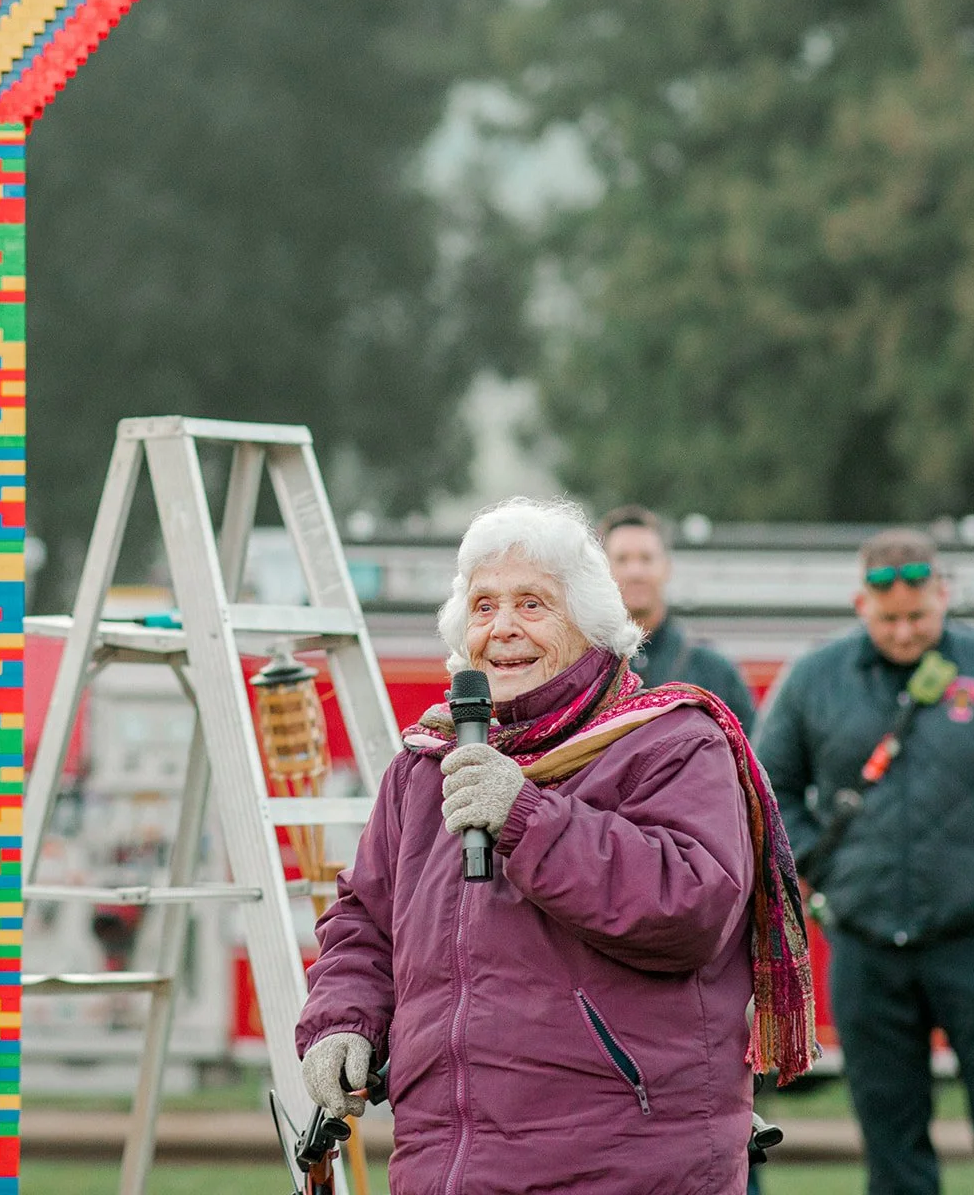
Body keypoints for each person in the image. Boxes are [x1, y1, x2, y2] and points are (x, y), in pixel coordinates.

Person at [297, 498, 816, 1194]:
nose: (502, 628)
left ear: (590, 624)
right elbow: (363, 918)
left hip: (622, 1164)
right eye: (482, 607)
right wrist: (343, 1020)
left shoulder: (670, 742)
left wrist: (525, 817)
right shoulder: (425, 766)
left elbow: (689, 907)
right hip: (443, 1164)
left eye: (531, 604)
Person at [756, 527, 974, 1195]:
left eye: (918, 616)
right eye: (887, 618)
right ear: (860, 604)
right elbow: (765, 783)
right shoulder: (815, 677)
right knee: (890, 1139)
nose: (902, 631)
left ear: (944, 595)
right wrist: (812, 863)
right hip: (864, 942)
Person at [600, 505, 757, 734]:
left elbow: (752, 760)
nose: (635, 571)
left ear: (667, 567)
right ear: (601, 571)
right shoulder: (582, 672)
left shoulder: (714, 672)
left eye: (646, 558)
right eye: (622, 559)